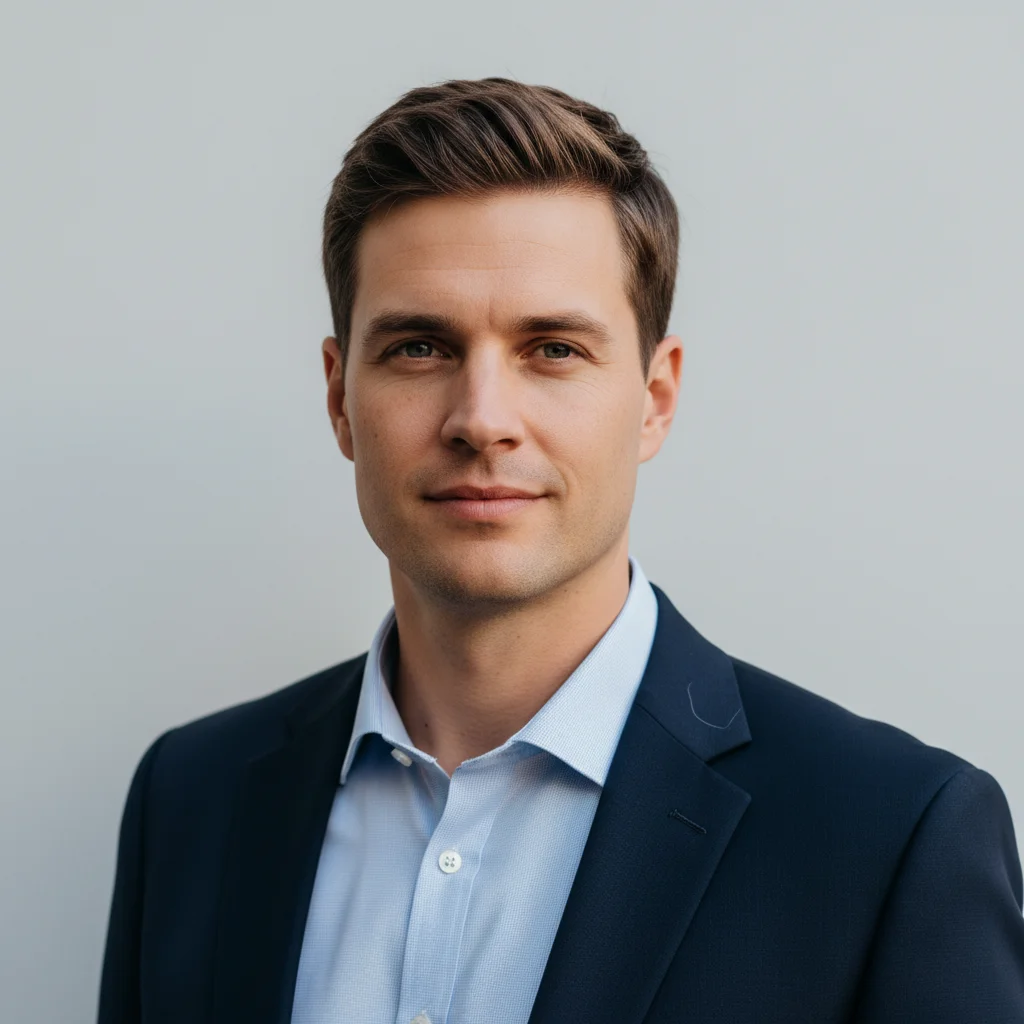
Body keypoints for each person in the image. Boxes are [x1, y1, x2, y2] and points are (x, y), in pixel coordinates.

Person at [97, 78, 1024, 1024]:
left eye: (553, 349)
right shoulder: (192, 798)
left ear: (655, 397)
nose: (482, 420)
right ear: (340, 398)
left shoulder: (891, 835)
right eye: (419, 347)